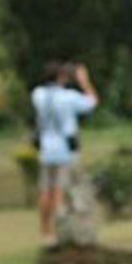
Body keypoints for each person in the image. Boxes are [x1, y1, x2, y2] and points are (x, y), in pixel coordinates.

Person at [31, 61, 99, 246]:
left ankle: (45, 231)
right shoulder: (69, 97)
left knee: (45, 191)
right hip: (64, 149)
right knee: (59, 191)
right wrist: (84, 81)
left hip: (45, 147)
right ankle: (60, 229)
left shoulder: (38, 95)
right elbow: (92, 102)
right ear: (62, 77)